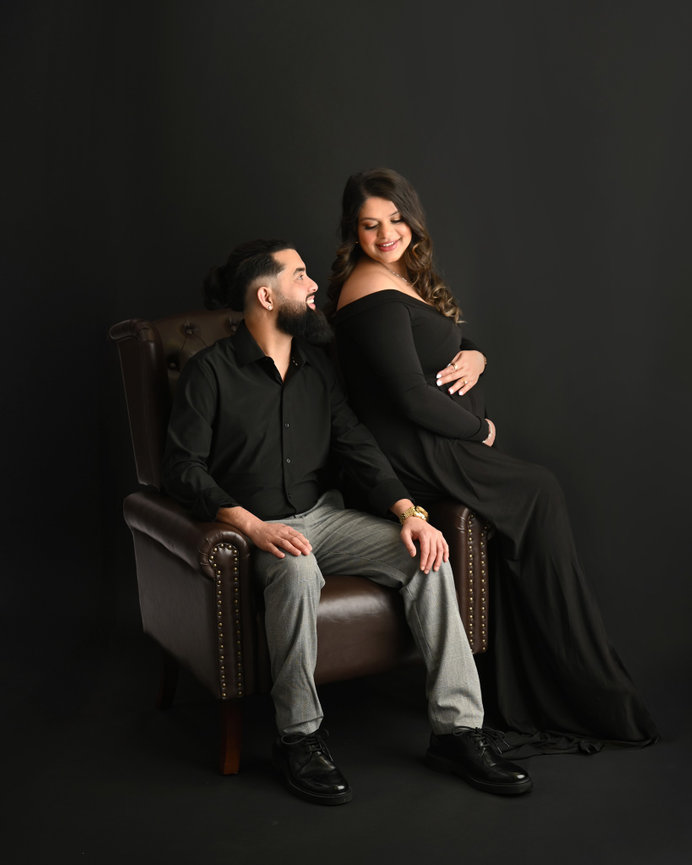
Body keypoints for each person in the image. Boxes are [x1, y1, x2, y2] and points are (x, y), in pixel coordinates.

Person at [161, 238, 533, 805]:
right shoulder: (209, 372)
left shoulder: (316, 366)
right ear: (266, 296)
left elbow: (355, 443)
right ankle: (298, 738)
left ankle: (457, 733)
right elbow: (181, 469)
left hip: (325, 518)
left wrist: (409, 513)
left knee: (426, 555)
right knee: (295, 570)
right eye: (300, 275)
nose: (314, 286)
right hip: (255, 531)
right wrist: (254, 528)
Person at [327, 168, 659, 757]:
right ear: (353, 232)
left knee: (531, 499)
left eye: (396, 220)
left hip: (435, 442)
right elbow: (407, 395)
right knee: (539, 491)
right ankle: (571, 683)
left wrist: (476, 356)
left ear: (412, 218)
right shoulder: (368, 287)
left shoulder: (401, 276)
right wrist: (478, 428)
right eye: (370, 225)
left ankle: (531, 682)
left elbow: (447, 341)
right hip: (412, 449)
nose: (386, 234)